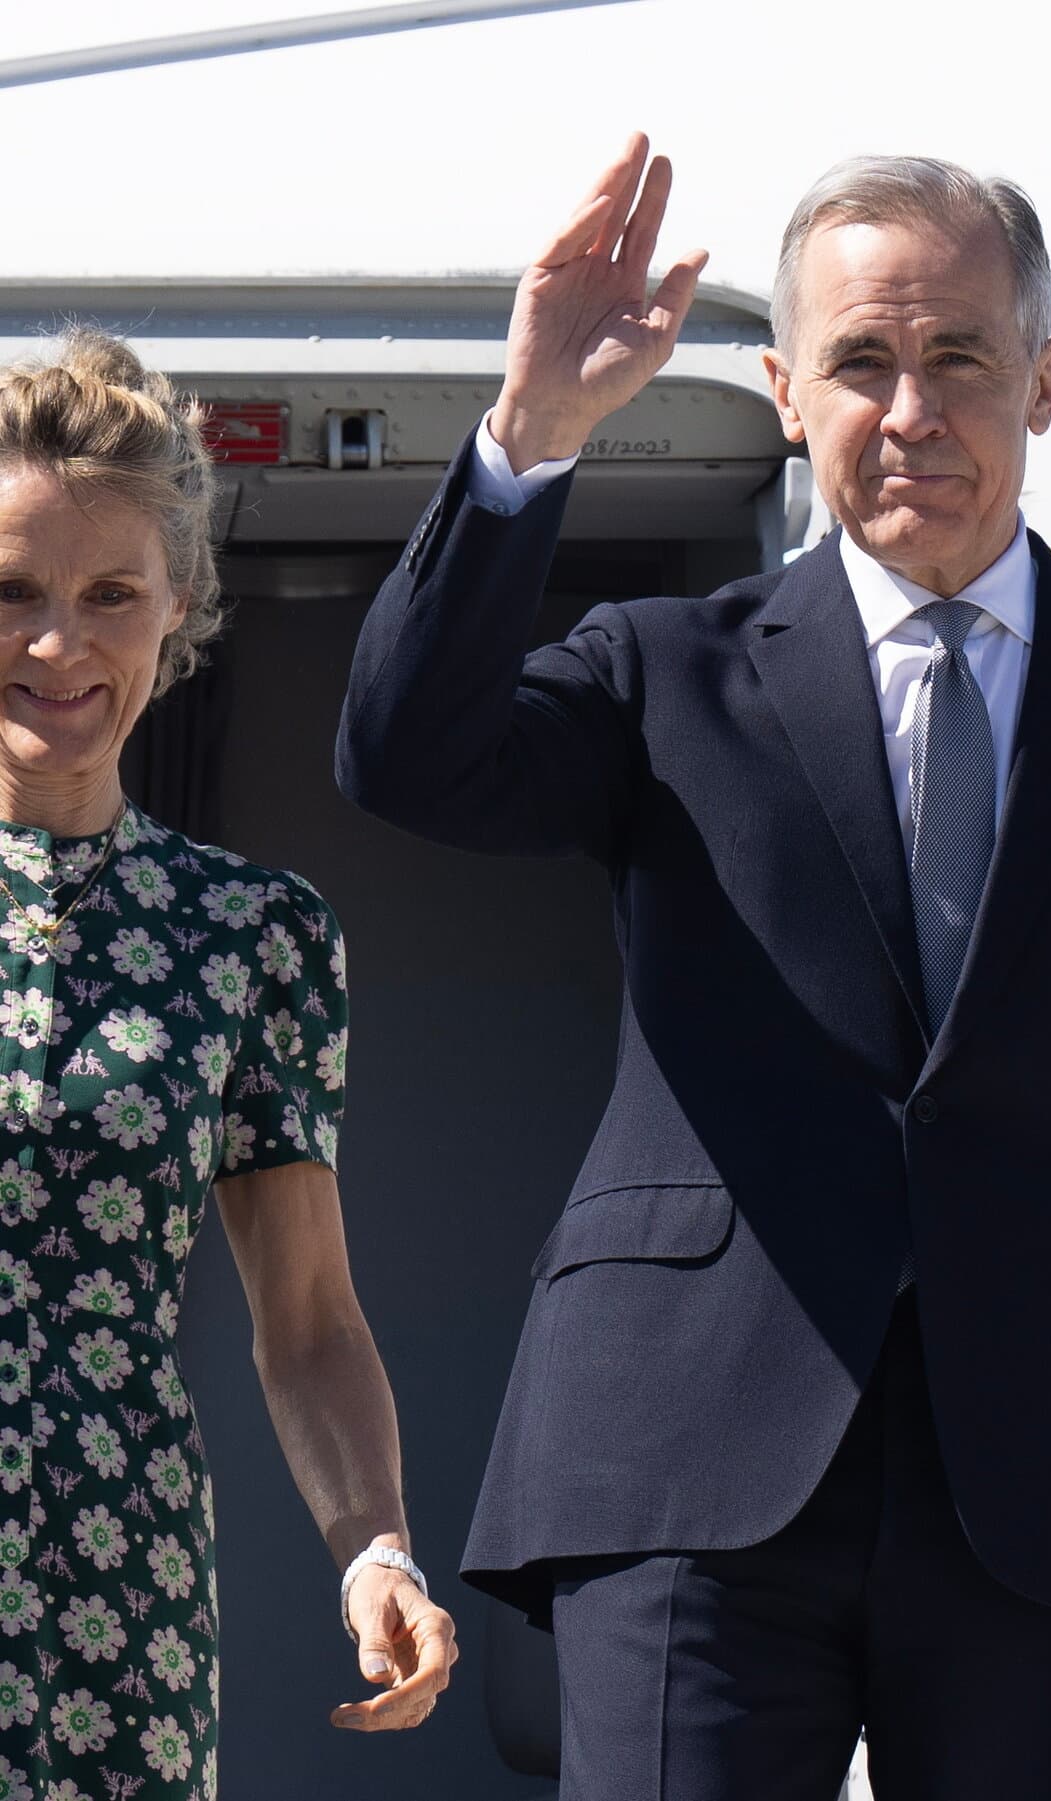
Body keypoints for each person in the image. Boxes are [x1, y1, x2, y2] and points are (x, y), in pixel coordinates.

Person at [337, 136, 1051, 1799]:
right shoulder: (661, 670)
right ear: (784, 390)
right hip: (687, 1465)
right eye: (858, 361)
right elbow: (407, 758)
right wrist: (529, 433)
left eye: (959, 357)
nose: (909, 409)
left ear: (1043, 379)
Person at [0, 332, 456, 1798]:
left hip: (114, 1618)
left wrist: (374, 1546)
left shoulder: (251, 934)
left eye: (107, 594)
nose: (57, 643)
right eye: (11, 591)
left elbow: (309, 1320)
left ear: (175, 607)